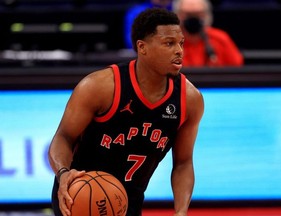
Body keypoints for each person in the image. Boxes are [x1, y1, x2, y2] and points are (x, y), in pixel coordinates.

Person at [48, 8, 204, 216]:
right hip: (79, 196)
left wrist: (181, 211)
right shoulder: (100, 87)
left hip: (128, 202)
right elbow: (63, 138)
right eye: (169, 43)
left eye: (181, 43)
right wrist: (64, 173)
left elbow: (183, 162)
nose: (179, 50)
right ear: (142, 47)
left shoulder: (190, 99)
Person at [173, 0, 244, 67]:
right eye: (187, 14)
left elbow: (237, 68)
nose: (193, 18)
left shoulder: (220, 39)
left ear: (206, 16)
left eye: (198, 14)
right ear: (177, 15)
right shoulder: (169, 42)